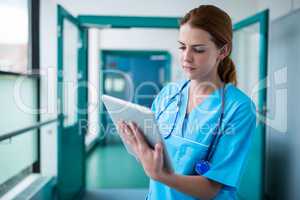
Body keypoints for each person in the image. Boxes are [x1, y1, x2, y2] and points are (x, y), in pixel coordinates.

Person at [117, 4, 256, 200]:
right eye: (182, 47)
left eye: (198, 50)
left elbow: (211, 188)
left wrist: (161, 175)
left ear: (223, 51)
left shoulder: (239, 108)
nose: (186, 57)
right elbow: (153, 159)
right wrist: (138, 147)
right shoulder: (168, 95)